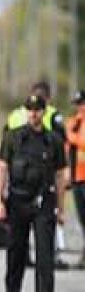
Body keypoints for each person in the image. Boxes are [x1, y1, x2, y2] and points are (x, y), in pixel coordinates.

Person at [0, 95, 68, 292]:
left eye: (37, 110)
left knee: (45, 249)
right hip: (18, 199)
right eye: (30, 109)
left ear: (44, 112)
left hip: (44, 199)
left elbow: (61, 175)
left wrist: (61, 209)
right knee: (16, 247)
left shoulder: (53, 140)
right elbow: (1, 168)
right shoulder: (13, 137)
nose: (33, 113)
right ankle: (11, 289)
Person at [5, 81, 69, 269]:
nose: (33, 113)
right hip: (29, 184)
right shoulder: (54, 115)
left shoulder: (16, 115)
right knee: (37, 238)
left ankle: (43, 287)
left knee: (36, 237)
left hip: (36, 184)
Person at [65, 90, 85, 269]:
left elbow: (81, 142)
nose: (79, 108)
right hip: (77, 178)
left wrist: (71, 135)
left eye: (82, 104)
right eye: (77, 104)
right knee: (82, 218)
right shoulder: (74, 122)